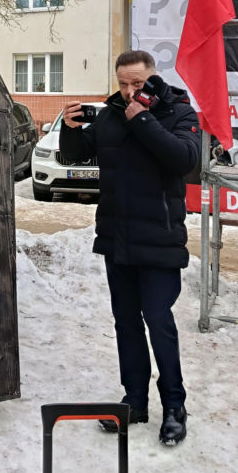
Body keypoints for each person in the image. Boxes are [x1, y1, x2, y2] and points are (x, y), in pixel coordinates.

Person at [60, 50, 200, 446]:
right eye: (122, 84)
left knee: (158, 320)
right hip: (118, 240)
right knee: (126, 323)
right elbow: (77, 155)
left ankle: (174, 407)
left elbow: (183, 160)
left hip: (159, 240)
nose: (128, 91)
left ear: (153, 77)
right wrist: (71, 129)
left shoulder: (179, 111)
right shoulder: (111, 113)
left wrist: (142, 118)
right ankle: (134, 402)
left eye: (137, 84)